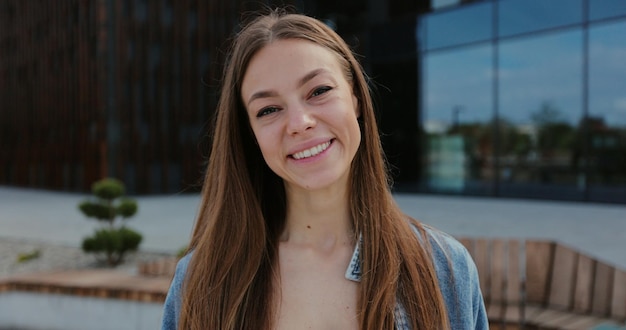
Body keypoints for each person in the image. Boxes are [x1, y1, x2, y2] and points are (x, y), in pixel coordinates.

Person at [161, 8, 488, 330]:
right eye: (269, 109)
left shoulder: (444, 267)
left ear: (356, 98)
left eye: (319, 91)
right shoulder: (201, 282)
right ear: (251, 135)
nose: (300, 123)